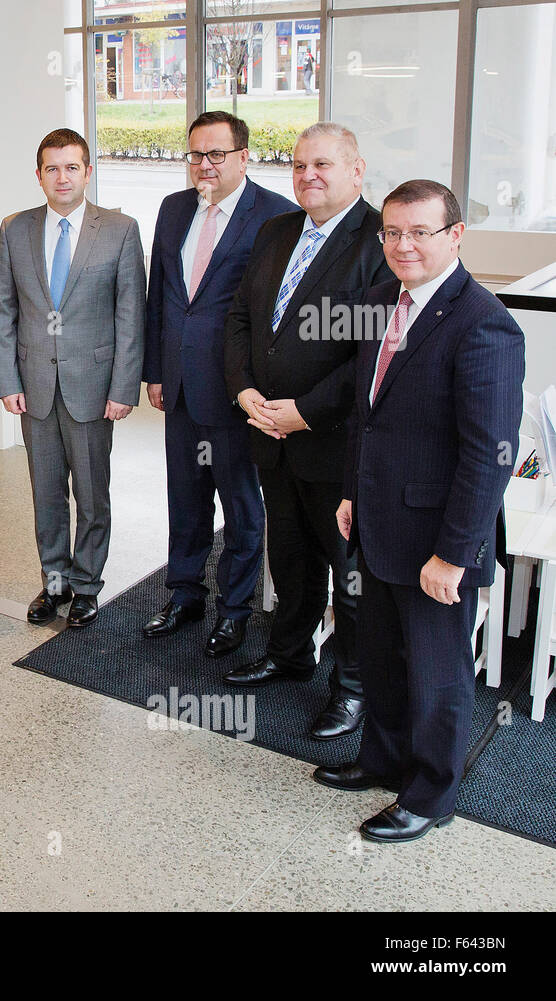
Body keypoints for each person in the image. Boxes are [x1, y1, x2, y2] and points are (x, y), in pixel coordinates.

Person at [318, 179, 523, 843]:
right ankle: (381, 760)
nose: (403, 245)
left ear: (455, 236)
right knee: (381, 657)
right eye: (393, 232)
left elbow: (487, 455)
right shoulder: (381, 299)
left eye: (420, 233)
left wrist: (455, 554)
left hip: (438, 541)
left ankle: (430, 795)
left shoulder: (484, 322)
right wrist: (351, 490)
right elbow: (366, 416)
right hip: (379, 519)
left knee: (437, 675)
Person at [222, 122, 394, 740]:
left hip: (334, 442)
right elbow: (242, 317)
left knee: (349, 573)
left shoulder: (379, 243)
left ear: (356, 169)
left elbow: (371, 356)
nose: (307, 176)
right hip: (267, 431)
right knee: (290, 557)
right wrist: (244, 390)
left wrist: (306, 411)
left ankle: (353, 688)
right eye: (297, 165)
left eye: (321, 164)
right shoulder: (276, 231)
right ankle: (291, 654)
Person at [141, 111, 295, 658]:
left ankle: (234, 610)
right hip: (179, 384)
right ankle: (184, 594)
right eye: (195, 155)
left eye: (216, 155)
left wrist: (256, 386)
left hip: (236, 391)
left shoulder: (277, 215)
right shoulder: (173, 207)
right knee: (184, 497)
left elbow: (275, 311)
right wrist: (155, 372)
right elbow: (162, 293)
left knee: (241, 505)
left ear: (243, 156)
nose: (203, 166)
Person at [0, 128, 146, 628]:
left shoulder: (120, 230)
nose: (62, 177)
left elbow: (131, 317)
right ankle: (53, 583)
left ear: (87, 172)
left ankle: (86, 587)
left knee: (92, 495)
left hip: (94, 390)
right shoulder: (15, 228)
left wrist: (124, 388)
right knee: (46, 493)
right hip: (34, 386)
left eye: (72, 167)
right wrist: (8, 382)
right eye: (52, 169)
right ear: (39, 176)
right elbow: (3, 312)